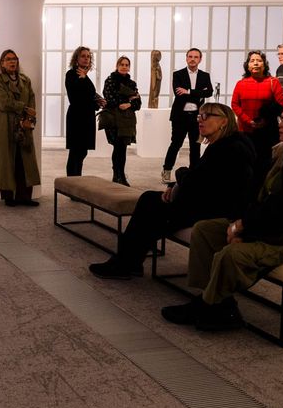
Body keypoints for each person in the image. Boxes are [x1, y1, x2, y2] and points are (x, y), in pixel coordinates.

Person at [161, 96, 283, 343]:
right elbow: (258, 196)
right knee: (206, 230)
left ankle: (213, 305)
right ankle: (212, 297)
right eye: (281, 118)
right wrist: (240, 222)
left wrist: (244, 228)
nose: (280, 124)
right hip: (272, 229)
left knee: (231, 255)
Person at [88, 104, 255, 280]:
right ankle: (129, 262)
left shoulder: (228, 148)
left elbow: (196, 182)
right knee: (149, 200)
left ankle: (126, 263)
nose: (200, 120)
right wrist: (176, 185)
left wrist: (180, 174)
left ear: (224, 121)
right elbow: (201, 179)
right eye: (199, 116)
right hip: (205, 202)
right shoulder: (228, 143)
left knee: (151, 206)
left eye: (206, 116)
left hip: (214, 210)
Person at [0, 50, 41, 207]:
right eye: (8, 59)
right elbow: (3, 103)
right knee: (6, 159)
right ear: (2, 63)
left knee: (24, 160)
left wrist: (29, 120)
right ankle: (8, 195)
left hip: (22, 124)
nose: (12, 62)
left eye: (15, 59)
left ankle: (24, 196)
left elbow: (32, 101)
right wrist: (24, 108)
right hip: (3, 124)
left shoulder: (25, 80)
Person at [231, 50, 283, 187]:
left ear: (264, 64)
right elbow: (235, 104)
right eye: (252, 61)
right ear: (247, 66)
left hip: (267, 131)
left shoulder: (273, 82)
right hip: (245, 130)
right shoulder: (240, 83)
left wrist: (265, 120)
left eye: (259, 60)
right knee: (245, 163)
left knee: (264, 165)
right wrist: (247, 120)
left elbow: (281, 104)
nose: (255, 63)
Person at [162, 48, 213, 183]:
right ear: (186, 58)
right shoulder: (177, 74)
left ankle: (193, 173)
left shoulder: (205, 75)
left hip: (197, 116)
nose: (192, 59)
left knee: (195, 145)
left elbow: (209, 93)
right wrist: (198, 93)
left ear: (200, 59)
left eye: (196, 57)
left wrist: (189, 91)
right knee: (176, 144)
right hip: (180, 116)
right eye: (190, 56)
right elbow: (178, 93)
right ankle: (166, 170)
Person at [64, 46, 106, 176]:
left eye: (88, 56)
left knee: (82, 152)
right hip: (77, 117)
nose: (86, 58)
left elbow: (89, 94)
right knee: (75, 152)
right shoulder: (72, 74)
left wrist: (98, 100)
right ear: (76, 58)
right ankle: (72, 183)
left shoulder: (84, 76)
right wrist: (83, 79)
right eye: (83, 56)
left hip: (86, 117)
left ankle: (77, 181)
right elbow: (76, 97)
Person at [100, 56, 142, 185]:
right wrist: (128, 98)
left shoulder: (132, 83)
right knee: (117, 146)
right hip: (112, 118)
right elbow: (110, 99)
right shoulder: (110, 80)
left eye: (126, 65)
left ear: (129, 67)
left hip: (126, 120)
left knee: (122, 148)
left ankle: (120, 175)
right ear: (117, 66)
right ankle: (117, 174)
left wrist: (129, 104)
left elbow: (138, 103)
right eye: (122, 64)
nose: (124, 67)